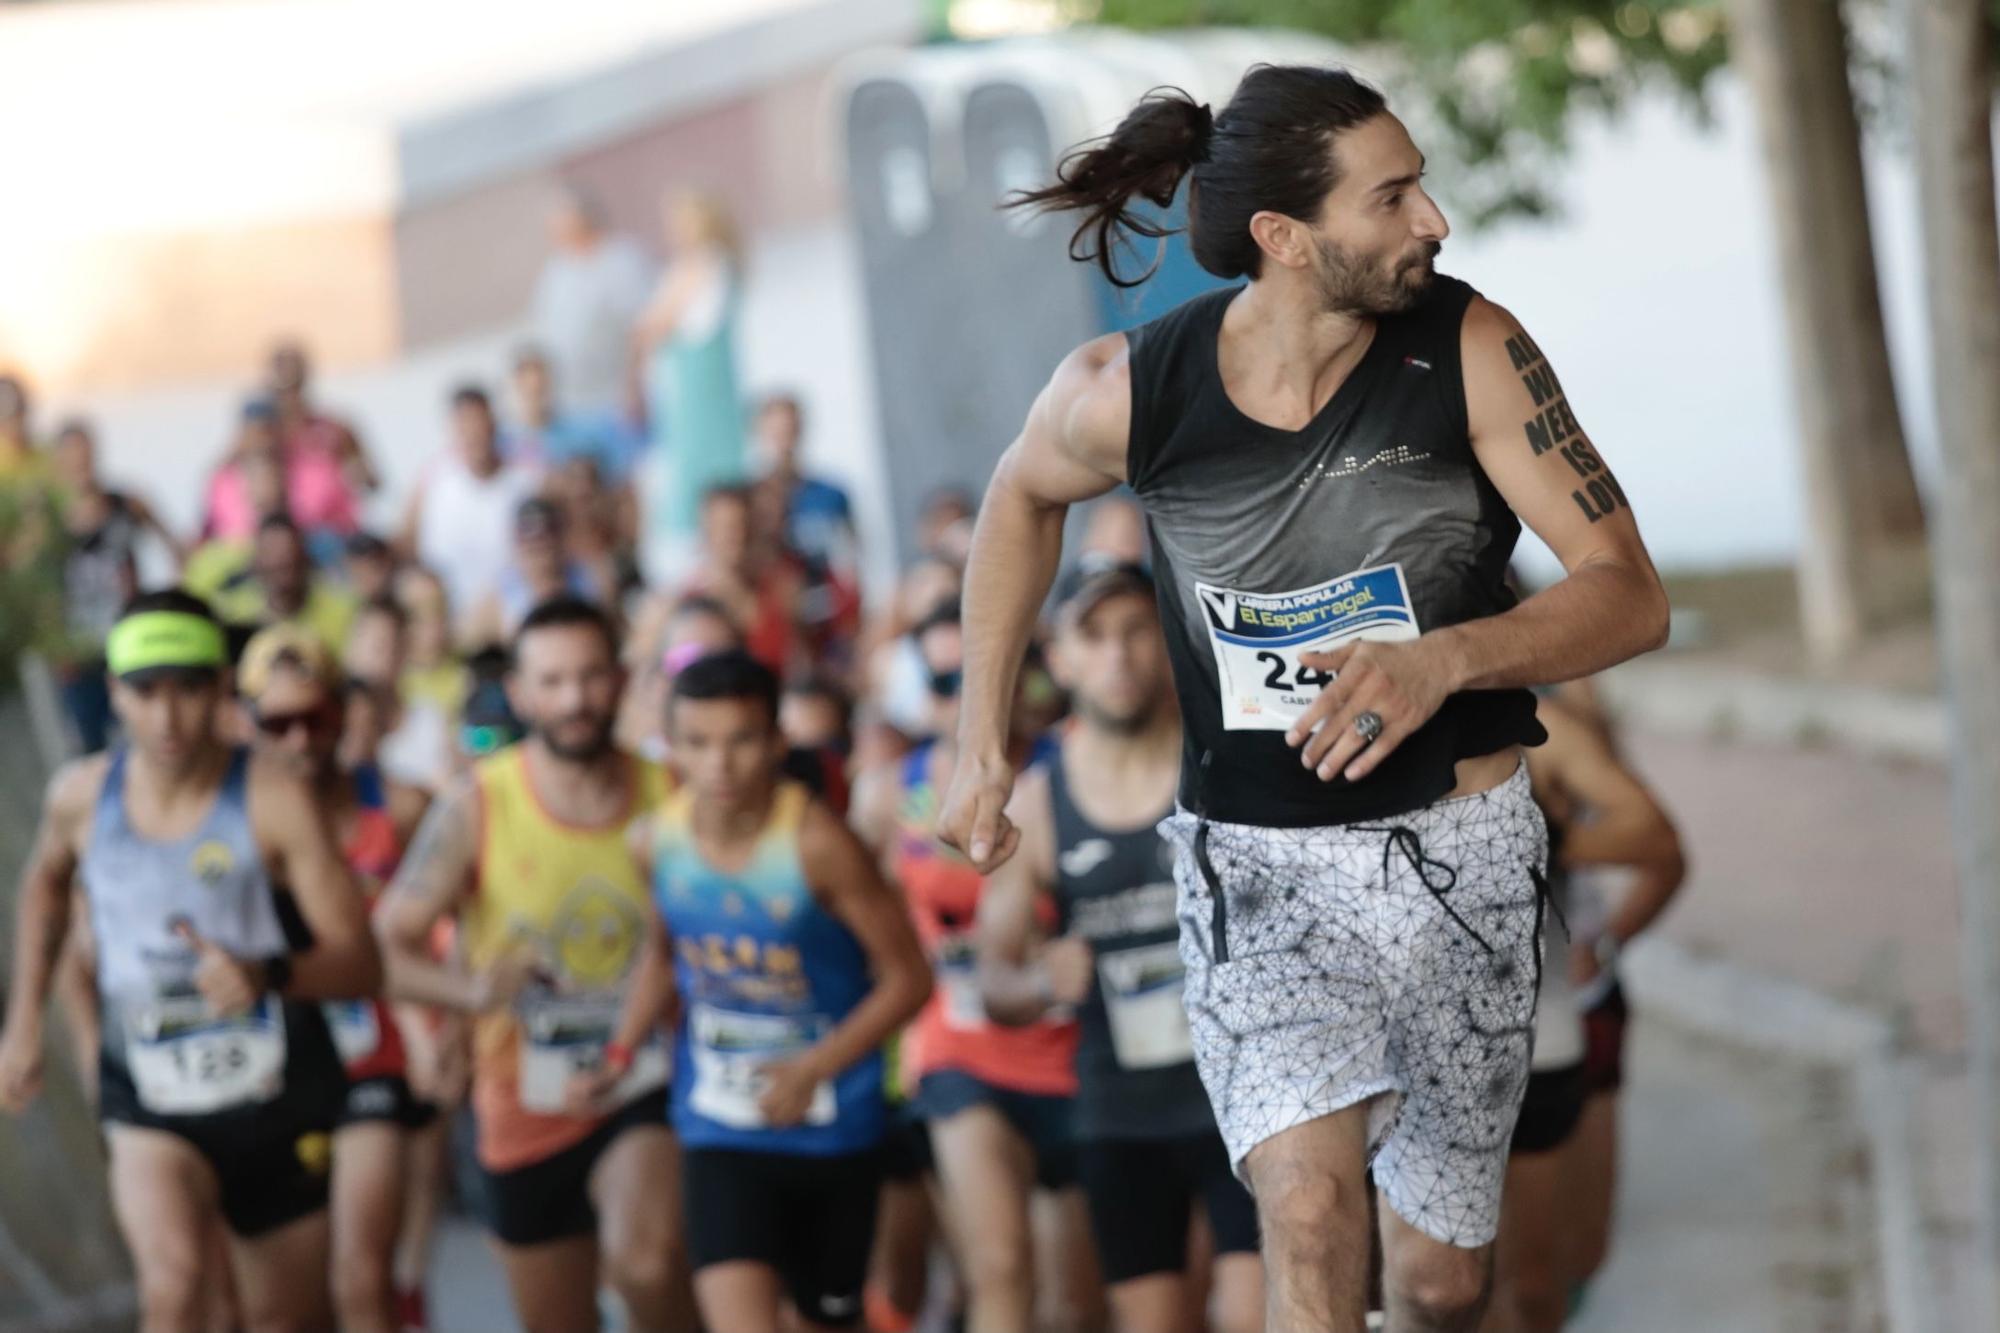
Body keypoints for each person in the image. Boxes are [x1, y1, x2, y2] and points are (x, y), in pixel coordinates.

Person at [938, 68, 1670, 1332]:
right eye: (1390, 197)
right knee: (1310, 1217)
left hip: (1463, 860)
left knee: (1438, 1283)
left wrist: (1442, 658)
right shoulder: (1133, 389)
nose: (1431, 219)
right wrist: (978, 740)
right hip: (1258, 864)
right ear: (1282, 238)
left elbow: (1628, 596)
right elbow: (1018, 498)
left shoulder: (1471, 348)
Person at [0, 590, 383, 1332]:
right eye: (146, 692)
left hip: (276, 1091)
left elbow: (362, 964)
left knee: (282, 1319)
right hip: (148, 1093)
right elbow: (45, 881)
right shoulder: (81, 798)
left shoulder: (275, 800)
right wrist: (22, 1020)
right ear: (114, 693)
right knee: (174, 1289)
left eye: (188, 689)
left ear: (219, 689)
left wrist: (267, 972)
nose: (168, 717)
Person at [578, 649, 932, 1332]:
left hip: (833, 1131)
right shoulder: (656, 841)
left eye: (741, 740)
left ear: (775, 741)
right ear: (671, 747)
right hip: (720, 1125)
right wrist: (619, 1053)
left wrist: (813, 1068)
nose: (720, 764)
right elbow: (662, 956)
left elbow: (909, 978)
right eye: (699, 743)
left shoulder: (820, 844)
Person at [375, 596, 692, 1333]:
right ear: (519, 691)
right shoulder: (478, 803)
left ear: (619, 678)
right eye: (552, 682)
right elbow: (388, 945)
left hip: (645, 1081)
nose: (575, 700)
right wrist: (466, 995)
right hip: (520, 1101)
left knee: (647, 1264)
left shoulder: (669, 792)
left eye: (590, 677)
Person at [978, 561, 1262, 1333]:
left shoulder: (1226, 768)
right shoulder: (1040, 805)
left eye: (1137, 629)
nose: (1119, 654)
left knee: (1253, 1317)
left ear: (1167, 640)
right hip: (1121, 1113)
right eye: (1093, 635)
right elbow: (991, 978)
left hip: (1246, 1095)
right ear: (1059, 657)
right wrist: (1040, 980)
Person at [852, 601, 1098, 1333]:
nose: (972, 694)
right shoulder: (892, 791)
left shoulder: (1073, 771)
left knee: (1073, 1307)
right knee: (999, 1267)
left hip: (1074, 1050)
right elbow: (859, 914)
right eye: (950, 676)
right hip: (958, 1049)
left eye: (992, 674)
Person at [239, 625, 434, 1333]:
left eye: (315, 718)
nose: (299, 739)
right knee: (286, 1308)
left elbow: (448, 928)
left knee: (361, 1276)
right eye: (277, 722)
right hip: (271, 1071)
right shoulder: (233, 823)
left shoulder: (401, 807)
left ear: (341, 713)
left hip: (377, 1055)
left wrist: (446, 1025)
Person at [1522, 694, 1684, 1314]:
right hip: (1441, 1043)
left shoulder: (1560, 707)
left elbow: (1663, 851)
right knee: (1474, 1285)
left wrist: (1608, 940)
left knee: (1572, 1260)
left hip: (1574, 1005)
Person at [48, 418, 184, 753]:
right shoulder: (49, 521)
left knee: (141, 734)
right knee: (89, 744)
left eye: (84, 452)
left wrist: (170, 601)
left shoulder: (125, 504)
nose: (80, 462)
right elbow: (37, 588)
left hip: (129, 640)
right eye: (70, 455)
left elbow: (176, 546)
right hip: (78, 654)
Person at [636, 191, 748, 568]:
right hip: (700, 397)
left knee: (699, 482)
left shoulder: (703, 267)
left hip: (700, 400)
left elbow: (651, 326)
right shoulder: (714, 267)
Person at [400, 385, 544, 620]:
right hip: (446, 618)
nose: (473, 433)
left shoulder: (527, 478)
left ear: (493, 423)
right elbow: (407, 540)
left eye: (479, 422)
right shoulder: (433, 477)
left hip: (510, 615)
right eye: (464, 424)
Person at [532, 187, 655, 436]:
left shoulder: (621, 260)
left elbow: (643, 328)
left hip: (618, 401)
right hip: (570, 405)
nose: (554, 234)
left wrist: (635, 386)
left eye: (560, 224)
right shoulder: (557, 271)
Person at [268, 340, 378, 560]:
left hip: (336, 537)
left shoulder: (336, 429)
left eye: (296, 383)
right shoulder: (266, 435)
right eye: (284, 386)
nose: (291, 395)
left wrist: (358, 473)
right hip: (288, 541)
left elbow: (372, 481)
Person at [460, 496, 611, 650]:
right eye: (529, 537)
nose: (539, 544)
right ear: (516, 543)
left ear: (561, 537)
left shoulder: (589, 583)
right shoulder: (499, 597)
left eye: (546, 534)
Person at [253, 513, 358, 655]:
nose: (279, 562)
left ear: (303, 558)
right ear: (257, 563)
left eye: (288, 561)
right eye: (271, 557)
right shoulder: (238, 617)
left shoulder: (342, 615)